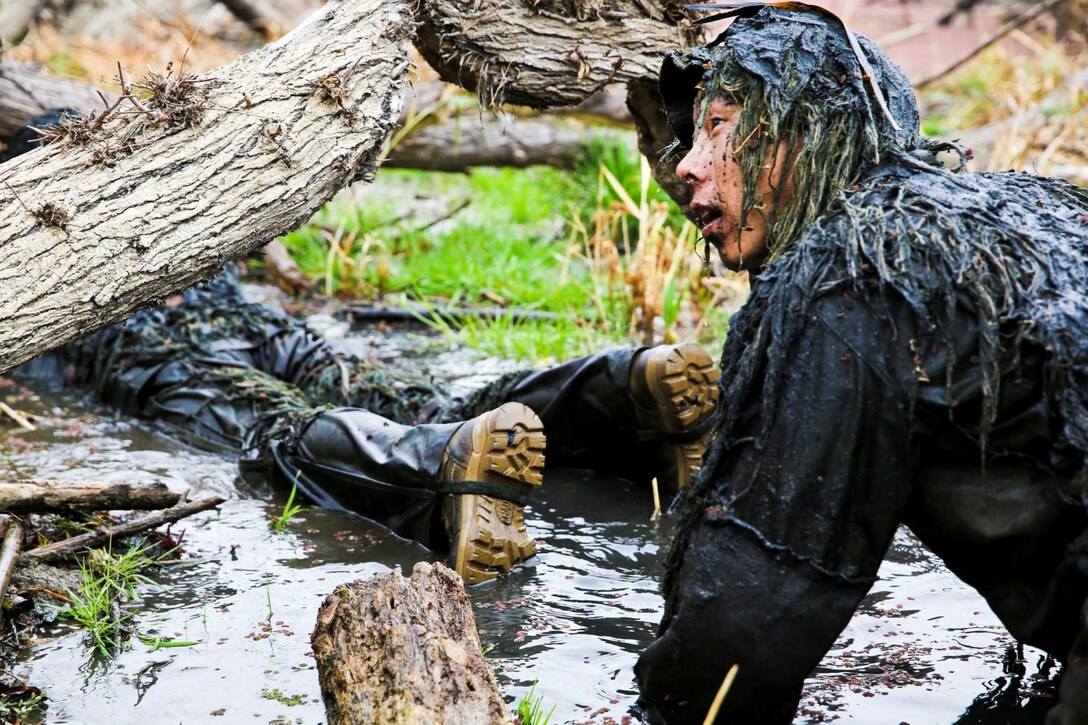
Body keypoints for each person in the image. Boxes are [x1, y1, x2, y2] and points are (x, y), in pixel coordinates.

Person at [633, 5, 1088, 723]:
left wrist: (659, 709)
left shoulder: (847, 276)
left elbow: (739, 632)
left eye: (718, 125)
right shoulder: (1047, 207)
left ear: (807, 131)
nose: (686, 164)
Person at [14, 257, 719, 584]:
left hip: (146, 353)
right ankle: (618, 395)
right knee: (417, 397)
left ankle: (436, 467)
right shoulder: (155, 187)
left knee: (271, 428)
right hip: (260, 321)